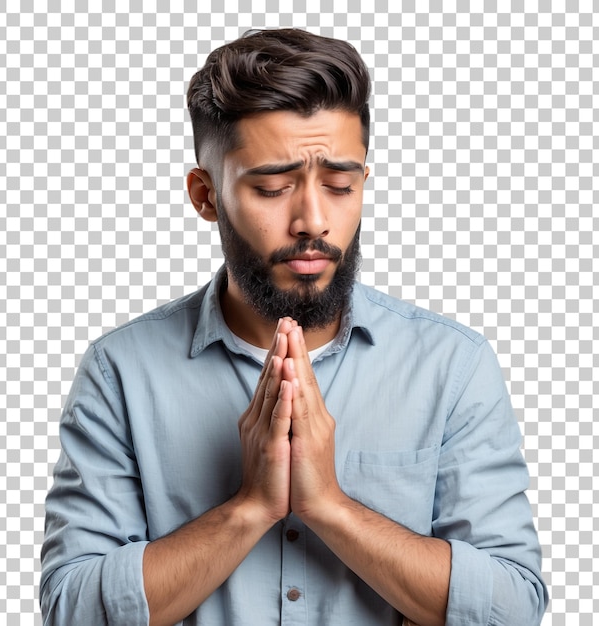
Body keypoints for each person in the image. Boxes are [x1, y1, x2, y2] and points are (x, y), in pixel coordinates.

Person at [40, 28, 548, 626]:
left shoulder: (452, 366)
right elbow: (71, 608)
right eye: (273, 187)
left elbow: (513, 607)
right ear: (206, 196)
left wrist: (330, 506)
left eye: (340, 184)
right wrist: (250, 507)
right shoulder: (120, 371)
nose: (313, 220)